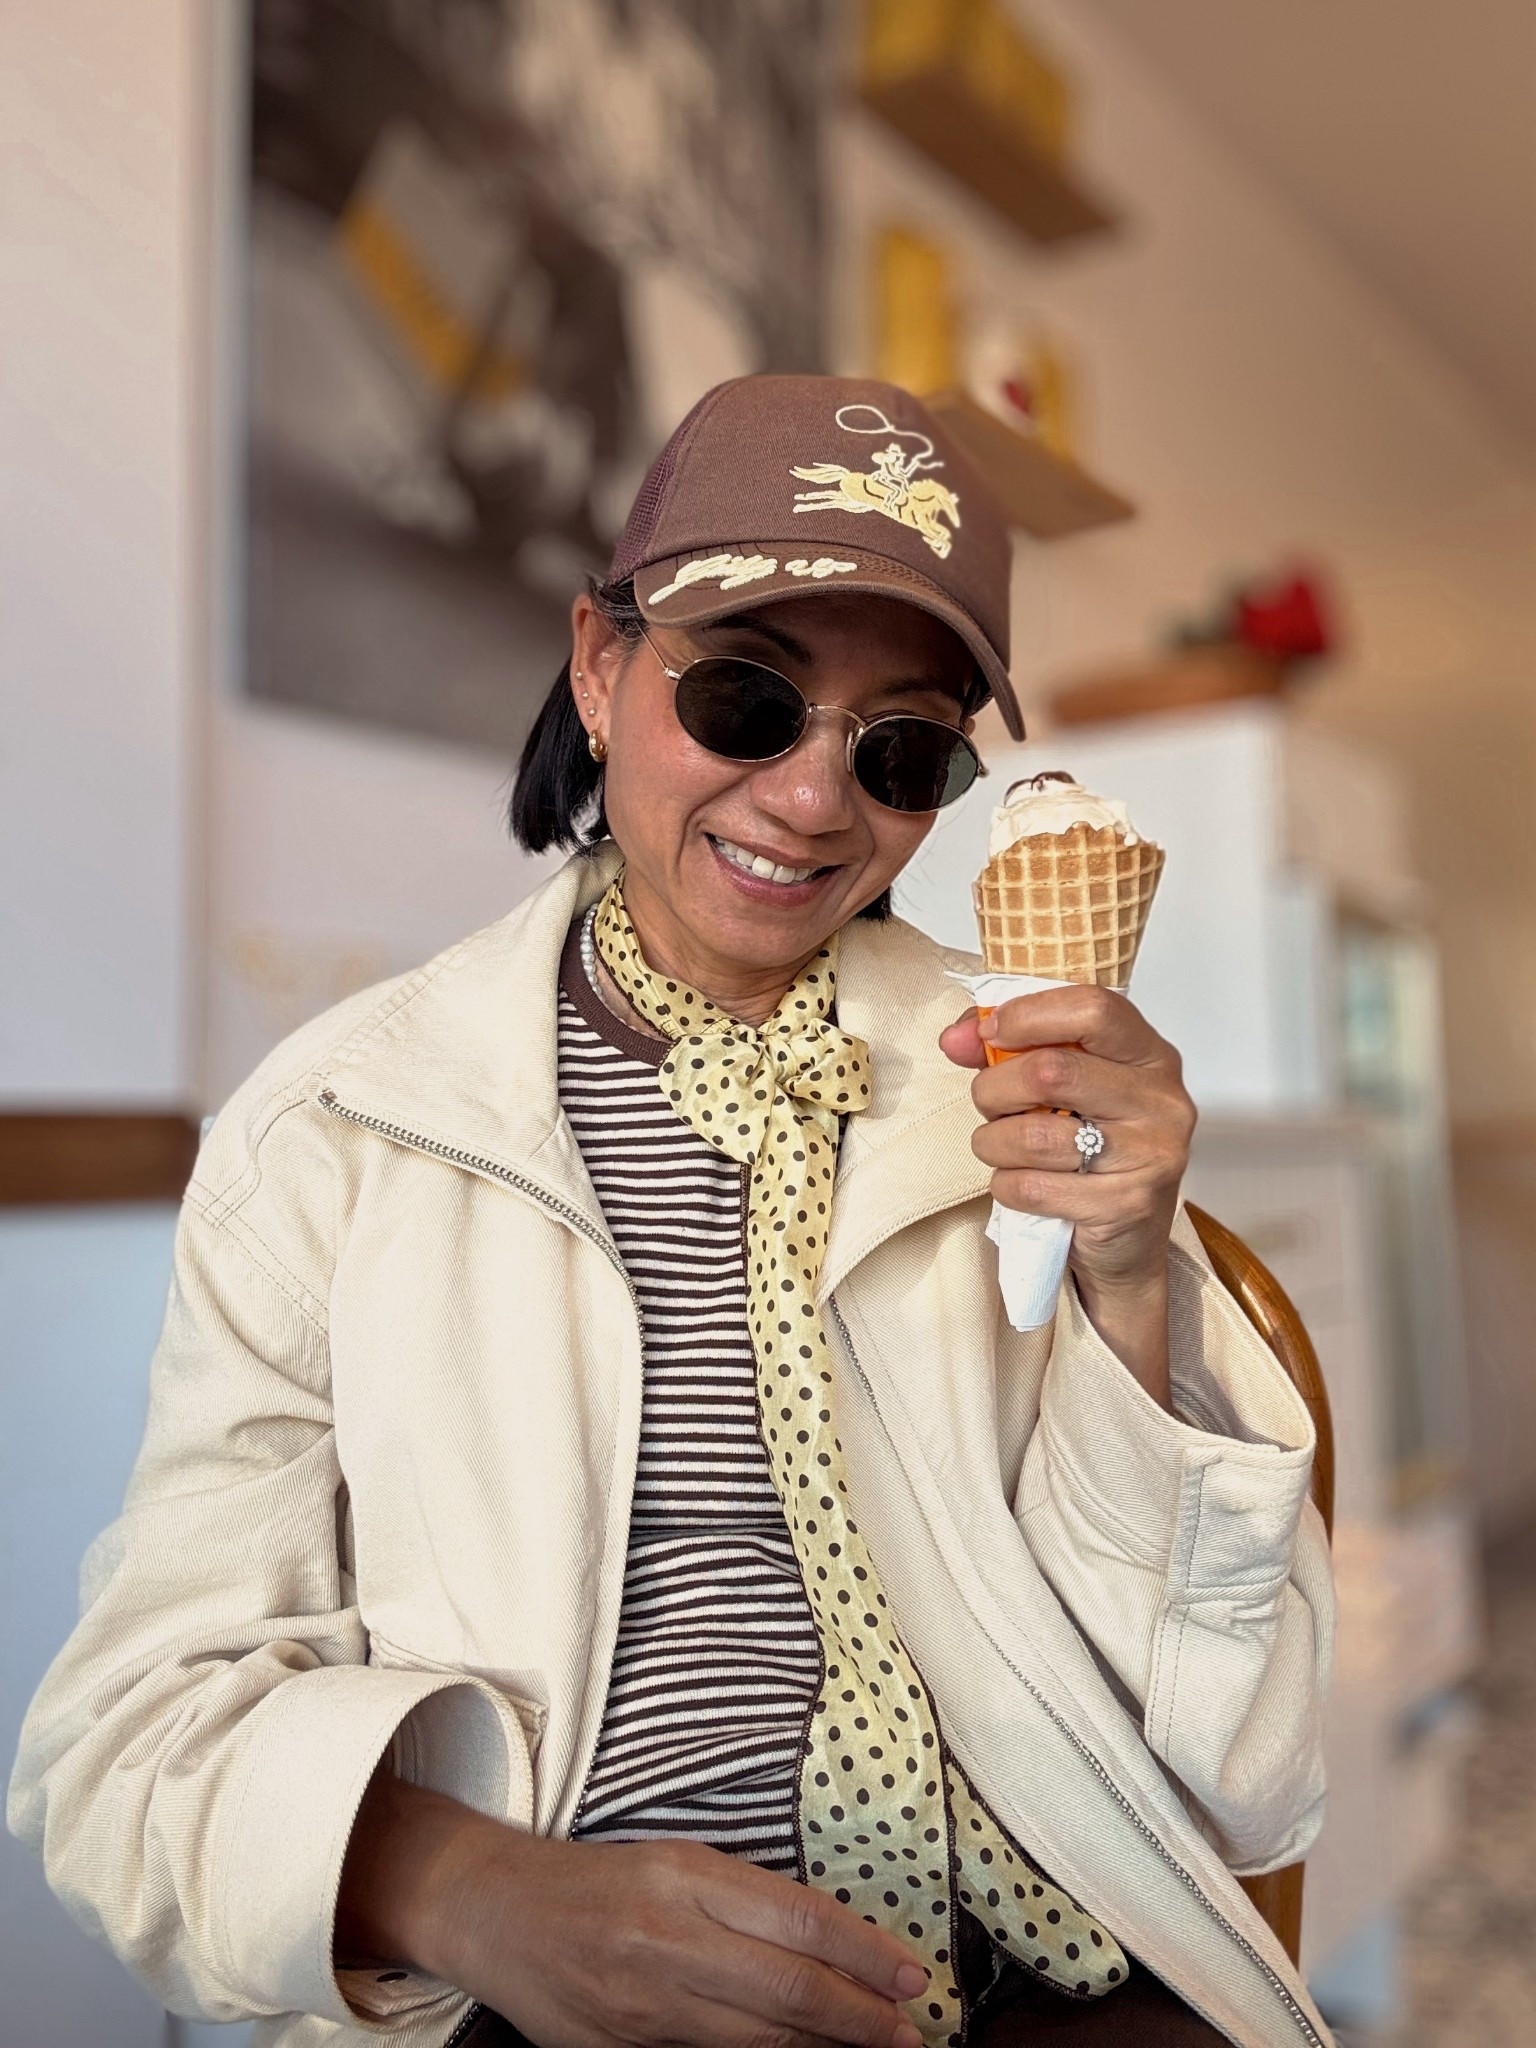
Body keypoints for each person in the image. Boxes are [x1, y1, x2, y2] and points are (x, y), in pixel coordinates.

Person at [9, 377, 1334, 2048]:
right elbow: (126, 1748)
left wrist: (1132, 1279)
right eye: (746, 696)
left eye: (904, 745)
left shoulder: (1006, 1086)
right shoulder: (337, 1132)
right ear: (599, 663)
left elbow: (1242, 1764)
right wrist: (474, 1893)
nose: (812, 801)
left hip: (1040, 1969)